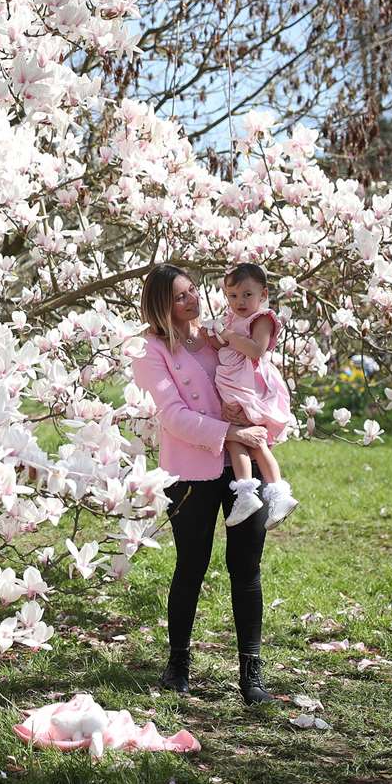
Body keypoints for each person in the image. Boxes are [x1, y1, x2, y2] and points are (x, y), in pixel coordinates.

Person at [130, 263, 274, 705]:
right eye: (179, 296)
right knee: (191, 566)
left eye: (192, 290)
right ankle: (178, 665)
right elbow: (171, 415)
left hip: (243, 462)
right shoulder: (149, 350)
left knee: (245, 567)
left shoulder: (222, 332)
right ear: (160, 306)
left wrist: (254, 417)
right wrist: (229, 432)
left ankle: (251, 674)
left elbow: (263, 379)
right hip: (191, 468)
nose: (192, 300)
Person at [205, 263, 297, 529]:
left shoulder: (262, 318)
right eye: (233, 295)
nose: (240, 301)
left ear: (263, 294)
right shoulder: (231, 319)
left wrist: (227, 335)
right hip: (234, 385)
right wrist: (212, 336)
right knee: (238, 441)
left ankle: (278, 493)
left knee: (255, 442)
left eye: (247, 294)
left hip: (250, 385)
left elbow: (256, 350)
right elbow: (222, 343)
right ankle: (246, 494)